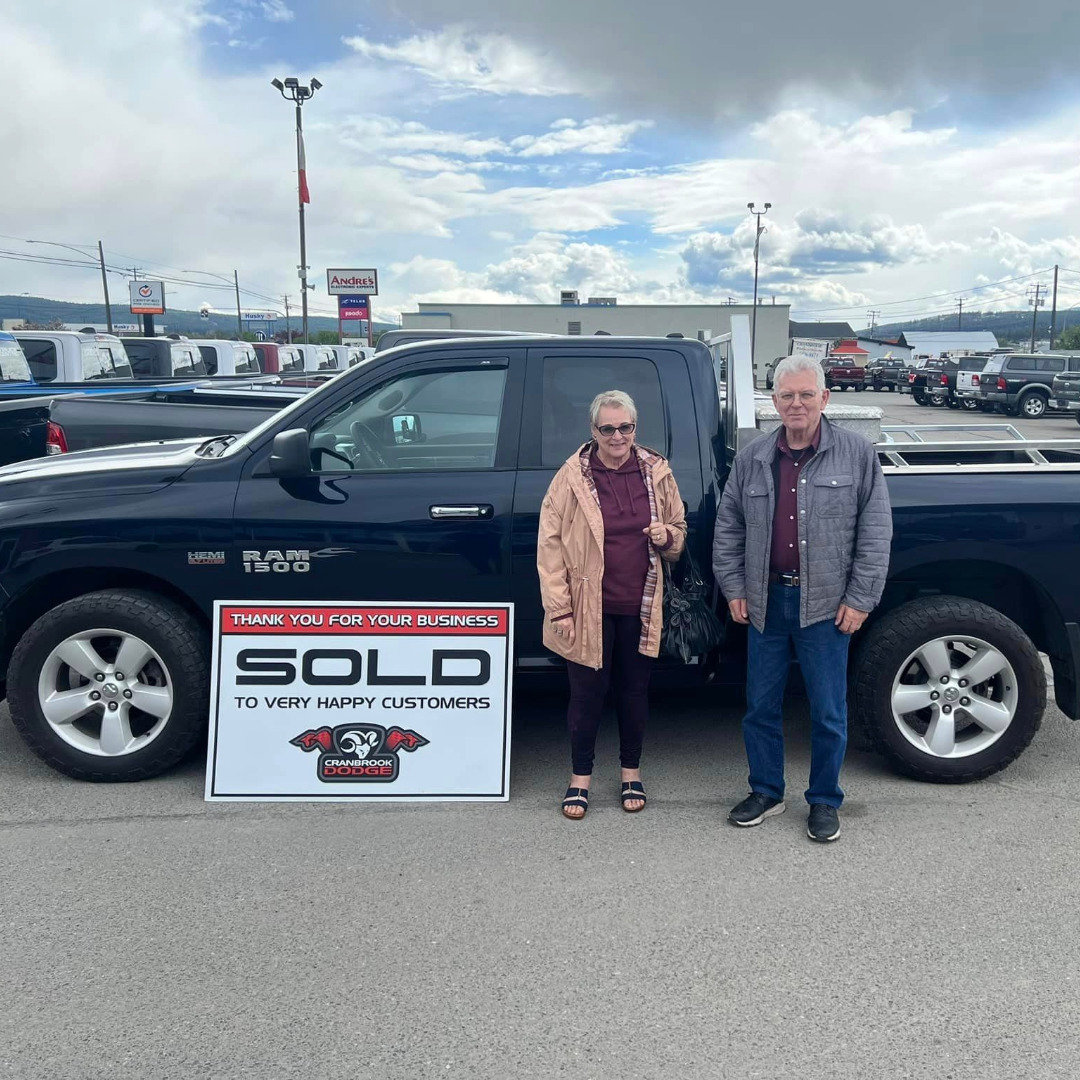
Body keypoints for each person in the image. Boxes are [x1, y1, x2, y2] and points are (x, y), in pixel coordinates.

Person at [713, 355, 892, 842]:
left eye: (805, 395)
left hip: (827, 608)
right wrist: (734, 589)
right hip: (766, 603)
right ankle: (767, 791)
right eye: (786, 396)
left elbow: (875, 536)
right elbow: (728, 528)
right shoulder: (752, 458)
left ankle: (824, 800)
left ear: (824, 399)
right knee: (760, 707)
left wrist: (860, 600)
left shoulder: (856, 455)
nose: (796, 404)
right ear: (774, 402)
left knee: (828, 711)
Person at [537, 390, 687, 819]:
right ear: (593, 430)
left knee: (634, 691)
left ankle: (630, 772)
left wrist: (669, 538)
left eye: (626, 427)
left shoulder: (657, 472)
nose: (618, 436)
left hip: (641, 602)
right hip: (587, 606)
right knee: (586, 695)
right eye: (608, 428)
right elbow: (549, 549)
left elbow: (679, 528)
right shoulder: (571, 477)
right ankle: (580, 778)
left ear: (635, 427)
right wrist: (559, 608)